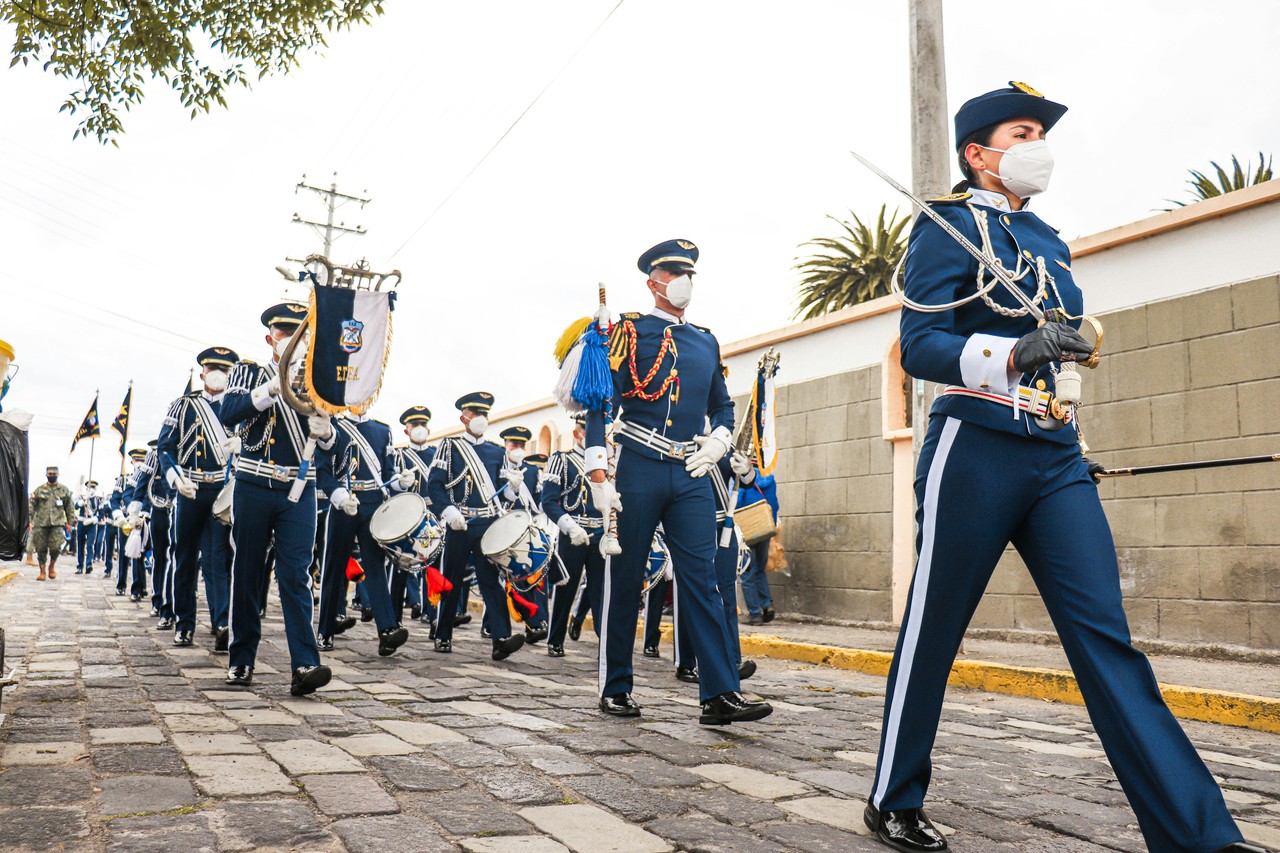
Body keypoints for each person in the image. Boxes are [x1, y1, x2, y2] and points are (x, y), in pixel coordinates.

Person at [864, 83, 1257, 853]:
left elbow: (1065, 346)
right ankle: (893, 796)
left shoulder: (1048, 240)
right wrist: (1011, 351)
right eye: (1023, 132)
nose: (1038, 144)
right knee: (934, 628)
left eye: (1041, 133)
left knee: (1108, 640)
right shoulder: (947, 226)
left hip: (1053, 452)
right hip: (974, 446)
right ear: (980, 154)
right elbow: (918, 346)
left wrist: (1066, 399)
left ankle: (1198, 834)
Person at [582, 238, 771, 726]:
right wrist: (598, 471)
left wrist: (720, 441)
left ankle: (719, 694)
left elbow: (722, 405)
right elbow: (600, 402)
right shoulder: (626, 331)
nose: (683, 281)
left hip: (690, 471)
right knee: (626, 580)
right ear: (654, 282)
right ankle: (615, 686)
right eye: (673, 272)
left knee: (704, 582)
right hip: (639, 466)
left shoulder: (705, 341)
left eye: (688, 273)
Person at [218, 301, 333, 697]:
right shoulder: (250, 372)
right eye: (285, 332)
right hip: (253, 484)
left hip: (299, 489)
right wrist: (271, 389)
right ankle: (241, 659)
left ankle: (305, 663)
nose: (293, 340)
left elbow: (335, 448)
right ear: (271, 338)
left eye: (300, 333)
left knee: (296, 576)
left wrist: (328, 433)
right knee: (248, 572)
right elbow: (229, 412)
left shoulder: (319, 381)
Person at [426, 392, 526, 660]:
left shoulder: (497, 451)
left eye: (484, 414)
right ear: (464, 418)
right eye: (475, 413)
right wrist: (448, 511)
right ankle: (443, 634)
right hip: (459, 523)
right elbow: (434, 485)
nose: (481, 418)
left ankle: (501, 638)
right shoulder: (450, 447)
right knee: (451, 580)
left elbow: (503, 497)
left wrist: (513, 488)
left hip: (487, 523)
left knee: (491, 581)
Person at [157, 346, 238, 649]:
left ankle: (222, 622)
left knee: (219, 558)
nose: (218, 374)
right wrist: (176, 479)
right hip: (190, 488)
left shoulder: (238, 408)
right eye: (212, 368)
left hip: (223, 491)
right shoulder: (183, 406)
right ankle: (184, 623)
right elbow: (165, 448)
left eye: (224, 369)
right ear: (202, 373)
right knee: (185, 556)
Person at [315, 409, 413, 656]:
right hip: (343, 503)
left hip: (373, 504)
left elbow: (386, 473)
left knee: (376, 566)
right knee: (334, 566)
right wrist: (338, 495)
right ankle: (325, 630)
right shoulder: (334, 424)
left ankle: (387, 630)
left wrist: (400, 481)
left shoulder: (382, 430)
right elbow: (322, 470)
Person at [540, 415, 604, 657]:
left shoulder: (606, 463)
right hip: (573, 532)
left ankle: (606, 642)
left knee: (601, 591)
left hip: (600, 533)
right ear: (577, 434)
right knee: (566, 587)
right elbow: (548, 501)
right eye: (588, 431)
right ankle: (555, 639)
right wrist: (569, 527)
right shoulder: (562, 459)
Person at [497, 425, 549, 644]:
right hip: (501, 526)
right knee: (500, 580)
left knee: (533, 575)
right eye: (514, 444)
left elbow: (538, 501)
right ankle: (493, 625)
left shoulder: (532, 471)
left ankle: (537, 623)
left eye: (521, 444)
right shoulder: (496, 466)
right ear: (505, 445)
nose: (517, 448)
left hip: (525, 528)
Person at [390, 405, 436, 628]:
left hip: (432, 515)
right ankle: (394, 617)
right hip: (407, 517)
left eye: (423, 424)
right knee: (402, 565)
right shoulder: (399, 455)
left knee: (432, 565)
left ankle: (432, 613)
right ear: (406, 430)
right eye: (414, 424)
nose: (419, 428)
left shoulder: (437, 455)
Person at [736, 458, 778, 625]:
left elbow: (736, 502)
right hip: (765, 529)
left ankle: (755, 614)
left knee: (746, 572)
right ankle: (767, 605)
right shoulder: (770, 479)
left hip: (747, 530)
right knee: (759, 569)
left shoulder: (743, 478)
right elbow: (774, 504)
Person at [28, 465, 74, 579]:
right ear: (46, 475)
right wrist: (29, 521)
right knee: (40, 548)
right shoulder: (39, 490)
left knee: (56, 547)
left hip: (57, 523)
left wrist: (70, 523)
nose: (52, 476)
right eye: (50, 474)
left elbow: (69, 507)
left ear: (57, 475)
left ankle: (52, 565)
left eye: (54, 474)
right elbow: (31, 506)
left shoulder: (64, 490)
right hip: (41, 523)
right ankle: (42, 571)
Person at [73, 480, 102, 574]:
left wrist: (94, 519)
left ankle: (89, 564)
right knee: (80, 545)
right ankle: (80, 566)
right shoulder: (82, 497)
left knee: (90, 545)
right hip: (82, 522)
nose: (91, 489)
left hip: (91, 523)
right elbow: (76, 506)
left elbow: (101, 513)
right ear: (87, 488)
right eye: (90, 487)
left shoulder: (98, 499)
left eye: (93, 487)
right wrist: (83, 501)